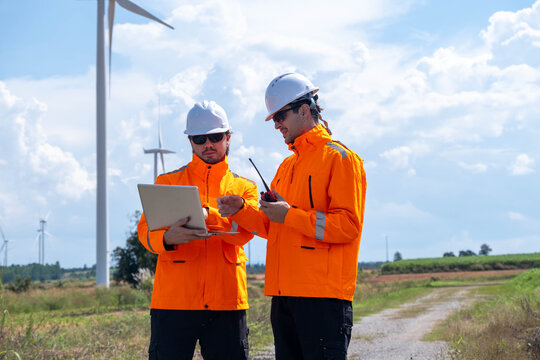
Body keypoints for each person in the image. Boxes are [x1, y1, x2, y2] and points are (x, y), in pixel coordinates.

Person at [217, 72, 367, 359]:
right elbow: (274, 226)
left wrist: (291, 216)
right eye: (274, 119)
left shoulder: (341, 159)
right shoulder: (286, 167)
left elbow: (348, 226)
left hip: (323, 299)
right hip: (284, 297)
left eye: (280, 116)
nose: (276, 125)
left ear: (304, 110)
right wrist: (241, 210)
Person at [137, 100, 258, 360]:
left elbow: (247, 231)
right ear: (190, 142)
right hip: (173, 301)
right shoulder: (167, 182)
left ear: (228, 137)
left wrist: (208, 215)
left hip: (227, 300)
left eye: (214, 137)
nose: (208, 144)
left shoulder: (244, 188)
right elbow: (145, 231)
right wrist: (167, 238)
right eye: (199, 138)